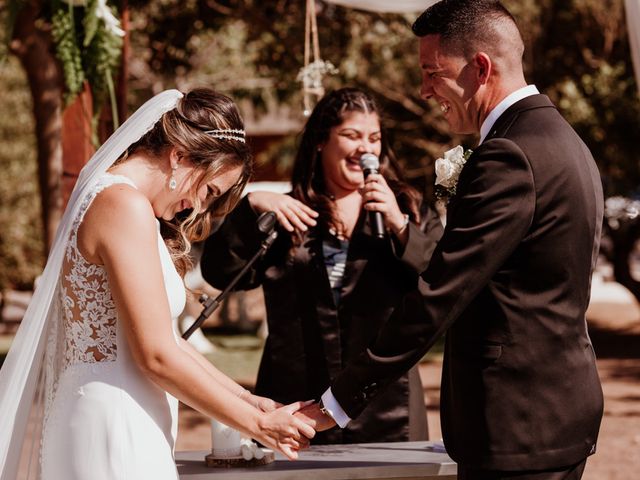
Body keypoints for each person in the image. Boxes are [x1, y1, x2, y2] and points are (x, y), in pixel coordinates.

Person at [298, 1, 605, 479]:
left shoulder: (509, 155)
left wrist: (335, 404)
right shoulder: (565, 140)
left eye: (432, 74)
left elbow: (438, 294)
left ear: (480, 68)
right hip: (556, 415)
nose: (424, 91)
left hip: (514, 427)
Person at [0, 88, 314, 480]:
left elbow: (168, 340)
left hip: (119, 410)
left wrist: (248, 400)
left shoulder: (117, 202)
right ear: (179, 155)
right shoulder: (122, 205)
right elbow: (156, 355)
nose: (198, 208)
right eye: (208, 190)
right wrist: (258, 426)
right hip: (113, 418)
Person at [200, 87, 443, 444]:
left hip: (386, 406)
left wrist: (401, 225)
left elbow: (442, 281)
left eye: (374, 138)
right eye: (351, 135)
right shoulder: (287, 214)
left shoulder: (408, 207)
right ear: (320, 142)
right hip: (295, 404)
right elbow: (220, 273)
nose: (366, 148)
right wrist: (248, 208)